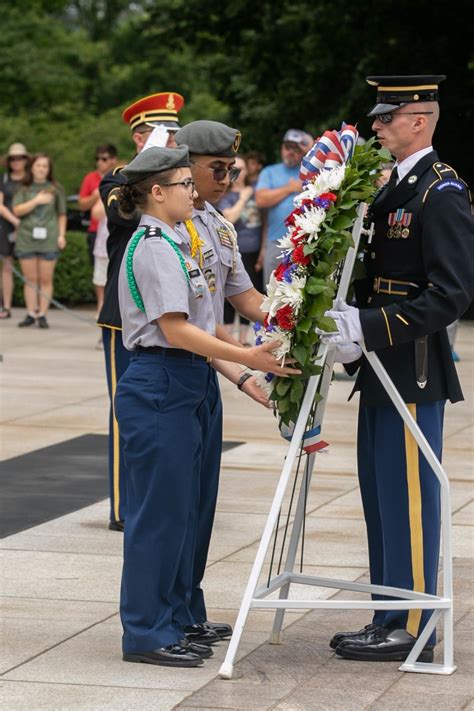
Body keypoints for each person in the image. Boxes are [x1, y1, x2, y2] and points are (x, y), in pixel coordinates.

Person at [114, 145, 299, 667]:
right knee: (159, 515)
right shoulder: (153, 245)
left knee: (183, 510)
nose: (192, 192)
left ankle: (172, 618)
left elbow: (218, 309)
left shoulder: (180, 240)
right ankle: (147, 632)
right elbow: (176, 329)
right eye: (183, 185)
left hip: (184, 378)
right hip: (159, 379)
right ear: (157, 192)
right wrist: (247, 355)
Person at [321, 75, 474, 662]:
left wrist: (370, 327)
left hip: (410, 364)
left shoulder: (442, 192)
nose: (377, 126)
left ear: (419, 120)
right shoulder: (393, 188)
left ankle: (412, 623)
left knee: (408, 494)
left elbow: (452, 293)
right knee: (382, 492)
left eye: (387, 118)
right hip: (378, 363)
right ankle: (389, 611)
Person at [98, 92, 185, 532]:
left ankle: (160, 497)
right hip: (124, 312)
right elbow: (128, 216)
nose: (172, 140)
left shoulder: (178, 182)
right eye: (163, 133)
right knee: (126, 411)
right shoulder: (117, 181)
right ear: (140, 136)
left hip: (173, 307)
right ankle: (123, 505)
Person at [13, 153, 67, 328]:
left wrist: (61, 235)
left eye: (45, 166)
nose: (42, 169)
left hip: (48, 237)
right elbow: (17, 210)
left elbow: (62, 214)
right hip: (27, 238)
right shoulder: (23, 188)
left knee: (45, 278)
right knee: (30, 278)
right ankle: (30, 312)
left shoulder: (55, 188)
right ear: (32, 168)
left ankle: (42, 314)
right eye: (38, 165)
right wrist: (36, 200)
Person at [255, 129, 313, 286]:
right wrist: (290, 188)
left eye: (296, 149)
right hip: (276, 241)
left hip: (304, 243)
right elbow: (261, 199)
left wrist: (310, 150)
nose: (291, 152)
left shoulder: (309, 171)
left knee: (300, 291)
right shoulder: (269, 172)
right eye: (288, 147)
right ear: (281, 148)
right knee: (273, 291)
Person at [218, 154, 264, 344]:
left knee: (251, 292)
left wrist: (264, 249)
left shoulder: (255, 191)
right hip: (232, 250)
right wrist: (243, 198)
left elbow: (264, 221)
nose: (239, 172)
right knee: (229, 299)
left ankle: (245, 342)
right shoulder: (223, 194)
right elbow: (229, 218)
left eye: (242, 167)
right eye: (234, 168)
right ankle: (230, 343)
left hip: (254, 250)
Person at [0, 143, 28, 319]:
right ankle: (7, 306)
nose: (16, 162)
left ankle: (33, 310)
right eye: (13, 159)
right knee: (7, 267)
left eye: (19, 158)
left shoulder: (31, 179)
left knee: (30, 268)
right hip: (8, 225)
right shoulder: (4, 179)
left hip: (29, 227)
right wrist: (15, 221)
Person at [78, 144, 117, 265]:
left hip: (115, 229)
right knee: (97, 270)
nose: (100, 162)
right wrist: (95, 196)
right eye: (97, 159)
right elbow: (82, 205)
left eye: (104, 159)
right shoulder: (90, 178)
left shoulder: (119, 176)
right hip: (95, 230)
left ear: (113, 160)